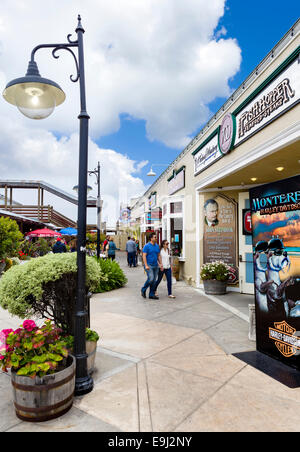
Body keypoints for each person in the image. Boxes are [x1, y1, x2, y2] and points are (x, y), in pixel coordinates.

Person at [141, 232, 163, 300]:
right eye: (155, 237)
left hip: (155, 265)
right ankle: (143, 289)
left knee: (154, 281)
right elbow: (144, 256)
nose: (156, 238)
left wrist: (160, 263)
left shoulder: (157, 246)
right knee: (151, 279)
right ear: (151, 238)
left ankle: (151, 294)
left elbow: (158, 255)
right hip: (149, 265)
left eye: (156, 237)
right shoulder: (146, 246)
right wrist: (146, 265)